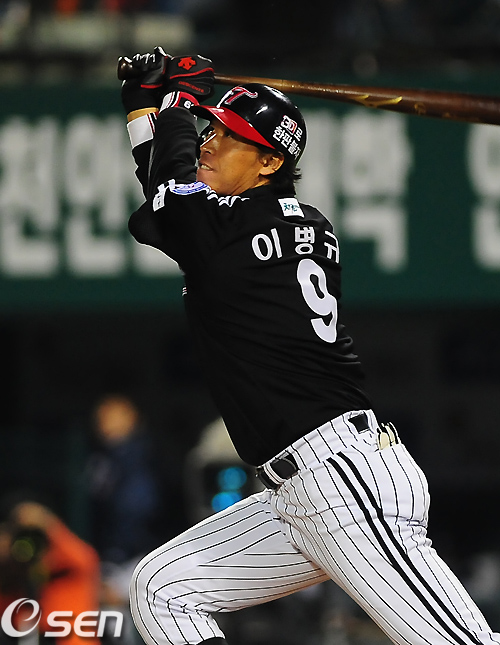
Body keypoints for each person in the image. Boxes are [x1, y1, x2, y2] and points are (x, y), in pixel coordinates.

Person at [120, 48, 500, 645]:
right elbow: (169, 200)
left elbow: (172, 198)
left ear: (270, 161)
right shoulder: (248, 222)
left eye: (228, 137)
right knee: (163, 587)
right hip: (297, 494)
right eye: (209, 131)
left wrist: (176, 103)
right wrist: (146, 105)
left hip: (342, 479)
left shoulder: (241, 224)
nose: (209, 145)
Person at [0, 499, 101, 645]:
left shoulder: (70, 570)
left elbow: (85, 558)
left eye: (36, 538)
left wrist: (46, 523)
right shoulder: (13, 576)